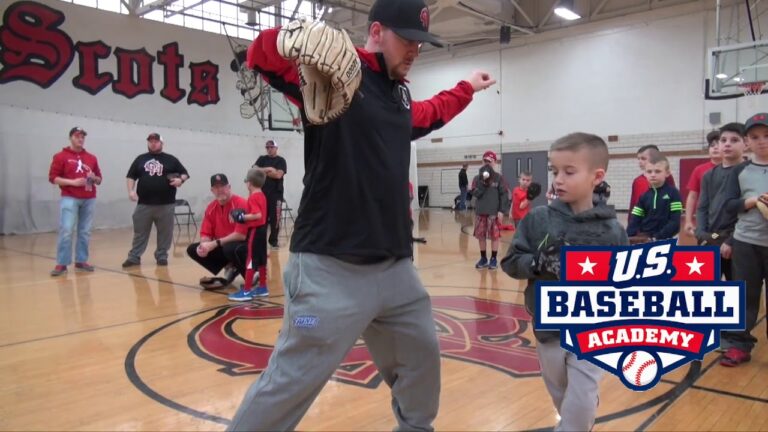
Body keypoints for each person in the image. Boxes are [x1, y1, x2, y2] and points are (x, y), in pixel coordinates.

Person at [228, 0, 496, 429]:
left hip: (395, 271)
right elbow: (261, 58)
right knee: (289, 384)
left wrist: (465, 87)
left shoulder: (400, 94)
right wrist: (284, 38)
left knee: (421, 364)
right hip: (328, 269)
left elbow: (426, 115)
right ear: (376, 32)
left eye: (420, 44)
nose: (414, 50)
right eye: (406, 40)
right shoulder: (338, 71)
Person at [501, 132, 628, 432]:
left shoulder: (612, 230)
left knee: (582, 394)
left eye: (569, 172)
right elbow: (510, 262)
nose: (558, 179)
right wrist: (537, 263)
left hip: (594, 326)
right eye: (554, 170)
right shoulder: (538, 220)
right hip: (549, 325)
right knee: (561, 392)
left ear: (597, 176)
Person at [717, 113, 768, 367]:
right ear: (747, 141)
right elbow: (728, 206)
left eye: (767, 136)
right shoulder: (741, 171)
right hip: (746, 242)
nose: (762, 141)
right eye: (756, 137)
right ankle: (739, 345)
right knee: (745, 296)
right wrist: (752, 202)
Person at [122, 133, 189, 267]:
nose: (153, 143)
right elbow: (131, 176)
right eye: (150, 141)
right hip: (144, 204)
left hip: (166, 204)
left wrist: (180, 180)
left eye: (156, 141)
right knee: (140, 232)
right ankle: (134, 256)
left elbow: (185, 173)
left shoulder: (171, 159)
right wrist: (130, 191)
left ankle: (162, 256)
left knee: (165, 233)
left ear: (161, 143)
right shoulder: (140, 159)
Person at [695, 122, 746, 282]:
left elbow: (749, 212)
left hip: (737, 239)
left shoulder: (748, 172)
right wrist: (701, 232)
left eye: (734, 140)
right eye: (723, 140)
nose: (727, 144)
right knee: (707, 289)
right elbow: (702, 207)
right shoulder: (709, 175)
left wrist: (732, 240)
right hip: (713, 236)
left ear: (746, 143)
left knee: (737, 290)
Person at [48, 127, 103, 276]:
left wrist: (94, 178)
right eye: (77, 136)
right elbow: (53, 178)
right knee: (66, 229)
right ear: (71, 137)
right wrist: (73, 182)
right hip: (70, 197)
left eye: (83, 137)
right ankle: (62, 263)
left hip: (89, 198)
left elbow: (99, 179)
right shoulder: (60, 156)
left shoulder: (91, 158)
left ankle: (81, 260)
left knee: (84, 231)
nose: (80, 139)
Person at [186, 174, 248, 289]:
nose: (220, 190)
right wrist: (204, 245)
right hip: (224, 246)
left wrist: (214, 244)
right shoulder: (211, 208)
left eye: (223, 186)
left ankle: (252, 270)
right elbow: (206, 233)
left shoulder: (240, 203)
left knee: (229, 247)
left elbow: (241, 235)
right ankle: (230, 267)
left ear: (229, 187)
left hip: (244, 245)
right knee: (193, 249)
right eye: (216, 187)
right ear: (212, 190)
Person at [228, 168, 269, 301]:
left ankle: (246, 291)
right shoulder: (262, 195)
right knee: (262, 259)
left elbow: (258, 214)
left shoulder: (253, 197)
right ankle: (262, 287)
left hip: (255, 231)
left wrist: (242, 217)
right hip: (263, 230)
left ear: (249, 183)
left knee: (250, 260)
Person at [626, 153, 683, 241]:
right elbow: (635, 220)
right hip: (645, 238)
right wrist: (626, 237)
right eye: (649, 171)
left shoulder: (673, 193)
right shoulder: (644, 196)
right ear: (645, 174)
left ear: (667, 173)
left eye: (657, 171)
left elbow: (675, 222)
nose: (653, 175)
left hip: (667, 238)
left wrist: (657, 237)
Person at [471, 151, 507, 270]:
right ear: (482, 162)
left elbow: (504, 195)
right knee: (481, 236)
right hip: (481, 212)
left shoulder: (499, 178)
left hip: (493, 212)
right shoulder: (477, 178)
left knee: (494, 236)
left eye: (489, 162)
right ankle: (483, 258)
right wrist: (483, 183)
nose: (487, 164)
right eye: (485, 161)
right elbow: (475, 193)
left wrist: (501, 210)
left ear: (494, 163)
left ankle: (493, 259)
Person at [683, 131, 721, 236]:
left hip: (726, 219)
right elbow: (692, 196)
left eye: (719, 144)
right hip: (704, 218)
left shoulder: (734, 169)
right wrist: (688, 220)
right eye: (712, 145)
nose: (715, 148)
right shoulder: (699, 170)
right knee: (706, 248)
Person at [628, 144, 676, 225]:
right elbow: (633, 204)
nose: (640, 161)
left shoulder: (666, 177)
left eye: (643, 158)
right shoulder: (637, 181)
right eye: (638, 159)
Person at [253, 140, 287, 249]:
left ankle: (273, 241)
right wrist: (268, 169)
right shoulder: (262, 159)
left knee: (275, 219)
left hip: (276, 194)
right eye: (267, 147)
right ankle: (260, 242)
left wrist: (262, 171)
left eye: (271, 147)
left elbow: (278, 175)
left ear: (276, 148)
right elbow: (253, 170)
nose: (269, 149)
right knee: (261, 219)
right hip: (262, 193)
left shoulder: (281, 161)